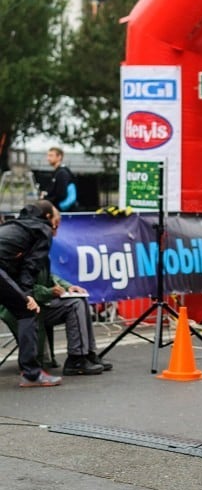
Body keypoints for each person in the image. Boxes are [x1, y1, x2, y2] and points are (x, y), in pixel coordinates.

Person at [33, 208, 112, 376]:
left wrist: (68, 287)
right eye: (55, 226)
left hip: (39, 300)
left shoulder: (38, 243)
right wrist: (50, 292)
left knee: (80, 299)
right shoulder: (31, 245)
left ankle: (87, 353)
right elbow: (26, 286)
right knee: (74, 304)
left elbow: (47, 275)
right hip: (30, 304)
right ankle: (76, 358)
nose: (56, 231)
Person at [0, 200, 62, 386]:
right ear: (48, 217)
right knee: (26, 311)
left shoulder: (15, 225)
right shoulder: (42, 229)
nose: (58, 223)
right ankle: (31, 374)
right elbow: (31, 266)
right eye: (57, 217)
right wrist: (27, 296)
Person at [40, 146, 78, 211]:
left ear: (59, 157)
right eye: (48, 156)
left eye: (51, 155)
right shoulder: (57, 172)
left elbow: (62, 195)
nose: (48, 158)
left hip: (62, 213)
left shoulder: (62, 172)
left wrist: (46, 199)